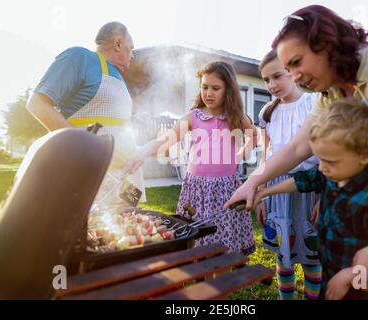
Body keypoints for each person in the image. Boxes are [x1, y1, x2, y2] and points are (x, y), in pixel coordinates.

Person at [225, 5, 368, 298]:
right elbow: (299, 146)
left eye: (297, 62)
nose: (296, 77)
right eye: (289, 70)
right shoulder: (334, 93)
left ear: (325, 41)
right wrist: (252, 183)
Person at [253, 100, 368, 299]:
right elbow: (302, 180)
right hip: (331, 277)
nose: (322, 168)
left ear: (365, 155)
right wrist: (263, 192)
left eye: (330, 161)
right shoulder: (332, 176)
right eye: (320, 159)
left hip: (362, 290)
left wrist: (349, 277)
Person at [136, 61, 258, 254]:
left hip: (225, 189)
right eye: (204, 87)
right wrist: (142, 150)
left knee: (222, 239)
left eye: (215, 88)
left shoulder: (236, 117)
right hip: (197, 190)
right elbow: (165, 141)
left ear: (229, 89)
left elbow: (254, 136)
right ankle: (203, 274)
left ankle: (221, 274)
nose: (208, 93)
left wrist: (240, 153)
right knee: (197, 237)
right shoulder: (194, 117)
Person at [26, 21, 146, 205]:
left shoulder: (119, 79)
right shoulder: (80, 57)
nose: (133, 56)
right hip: (90, 176)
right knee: (88, 231)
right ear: (118, 43)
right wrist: (80, 150)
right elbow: (37, 104)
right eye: (131, 48)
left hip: (124, 183)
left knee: (127, 229)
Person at [256, 50, 321, 300]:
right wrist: (260, 196)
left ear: (292, 72)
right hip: (276, 190)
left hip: (309, 189)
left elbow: (326, 153)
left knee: (312, 257)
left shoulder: (313, 103)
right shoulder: (266, 113)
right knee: (283, 257)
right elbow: (265, 157)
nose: (272, 85)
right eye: (266, 80)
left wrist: (324, 196)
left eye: (277, 76)